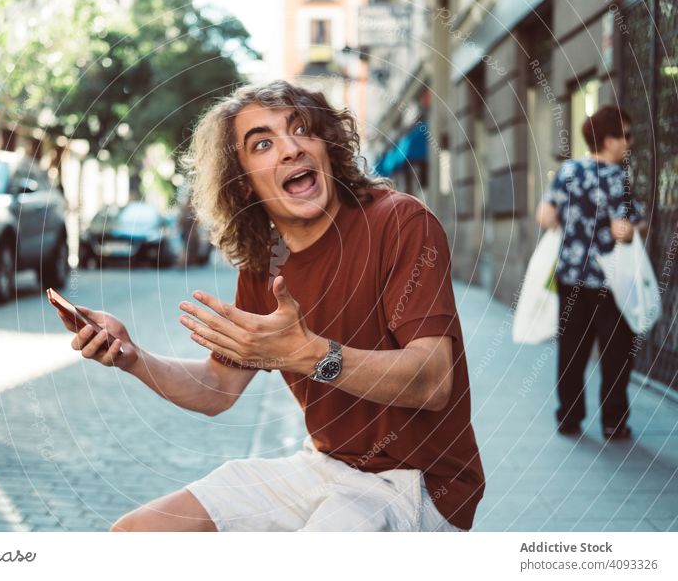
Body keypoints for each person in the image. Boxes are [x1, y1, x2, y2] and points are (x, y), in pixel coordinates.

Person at [58, 80, 484, 532]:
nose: (290, 149)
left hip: (419, 483)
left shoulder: (399, 221)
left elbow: (433, 381)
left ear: (327, 145)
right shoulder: (267, 264)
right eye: (262, 143)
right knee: (136, 535)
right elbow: (218, 387)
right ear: (242, 184)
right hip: (324, 465)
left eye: (301, 129)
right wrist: (132, 356)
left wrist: (309, 353)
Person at [536, 105, 644, 440]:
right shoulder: (616, 177)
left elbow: (545, 216)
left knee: (571, 350)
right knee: (614, 353)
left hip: (570, 277)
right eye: (625, 136)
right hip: (608, 281)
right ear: (609, 140)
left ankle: (568, 416)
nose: (629, 143)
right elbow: (624, 229)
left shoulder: (568, 171)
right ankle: (613, 421)